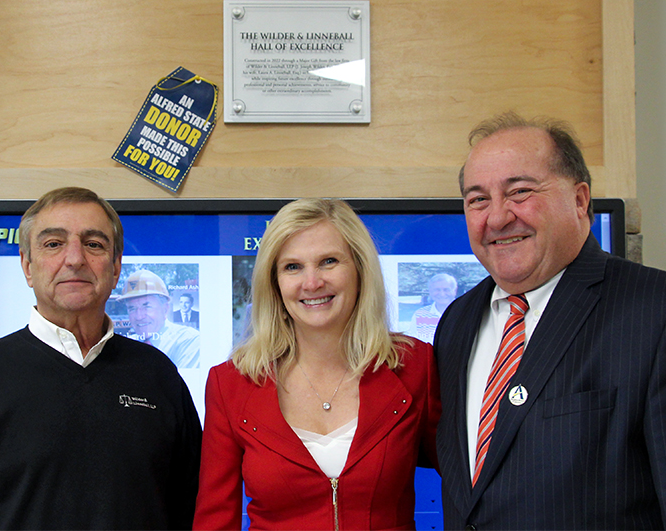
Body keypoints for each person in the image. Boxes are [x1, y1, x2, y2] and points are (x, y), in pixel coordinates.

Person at [434, 112, 666, 529]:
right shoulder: (457, 323)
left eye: (520, 192)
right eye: (478, 199)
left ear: (580, 199)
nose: (496, 218)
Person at [0, 187, 201, 530]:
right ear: (27, 266)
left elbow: (192, 510)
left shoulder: (158, 374)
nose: (75, 258)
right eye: (53, 244)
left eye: (93, 244)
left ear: (116, 267)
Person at [194, 198, 441, 530]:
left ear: (359, 269)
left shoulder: (415, 366)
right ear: (275, 283)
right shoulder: (230, 384)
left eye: (328, 261)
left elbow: (468, 482)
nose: (312, 283)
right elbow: (214, 519)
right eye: (292, 267)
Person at [119, 269, 200, 368]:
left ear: (165, 308)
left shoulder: (188, 340)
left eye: (147, 306)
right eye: (132, 308)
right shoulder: (125, 346)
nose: (139, 316)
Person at [411, 273, 458, 341]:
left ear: (454, 291)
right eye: (437, 290)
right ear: (430, 291)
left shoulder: (466, 313)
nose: (442, 294)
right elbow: (413, 342)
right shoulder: (419, 315)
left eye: (446, 290)